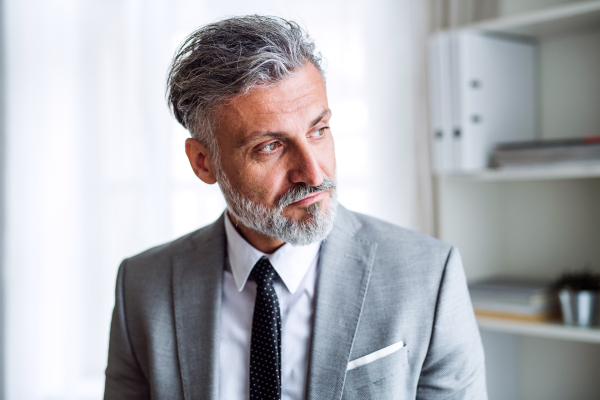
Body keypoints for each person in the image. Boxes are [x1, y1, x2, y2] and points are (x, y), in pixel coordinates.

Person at [104, 15, 487, 400]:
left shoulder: (428, 277)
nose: (313, 172)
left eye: (318, 130)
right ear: (204, 162)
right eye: (270, 146)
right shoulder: (142, 287)